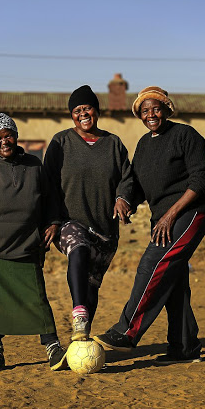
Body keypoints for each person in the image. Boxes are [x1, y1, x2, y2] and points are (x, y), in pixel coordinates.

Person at [94, 86, 205, 364]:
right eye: (145, 110)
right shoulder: (144, 144)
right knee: (173, 279)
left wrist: (171, 214)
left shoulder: (185, 135)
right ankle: (184, 347)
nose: (151, 115)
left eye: (156, 108)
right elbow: (137, 184)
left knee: (153, 263)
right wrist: (125, 200)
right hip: (162, 218)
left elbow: (201, 179)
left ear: (166, 109)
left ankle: (126, 331)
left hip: (192, 212)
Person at [0, 112, 67, 372]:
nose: (4, 142)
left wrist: (53, 221)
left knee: (38, 300)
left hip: (27, 247)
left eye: (8, 135)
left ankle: (53, 347)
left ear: (16, 136)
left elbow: (50, 199)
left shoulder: (34, 165)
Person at [43, 85, 133, 341]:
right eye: (76, 110)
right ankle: (78, 314)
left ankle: (81, 338)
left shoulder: (113, 143)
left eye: (87, 108)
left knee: (91, 286)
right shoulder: (61, 142)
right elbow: (47, 183)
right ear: (71, 115)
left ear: (97, 111)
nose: (82, 114)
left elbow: (127, 178)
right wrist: (52, 220)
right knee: (78, 250)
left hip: (105, 227)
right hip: (70, 221)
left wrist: (122, 197)